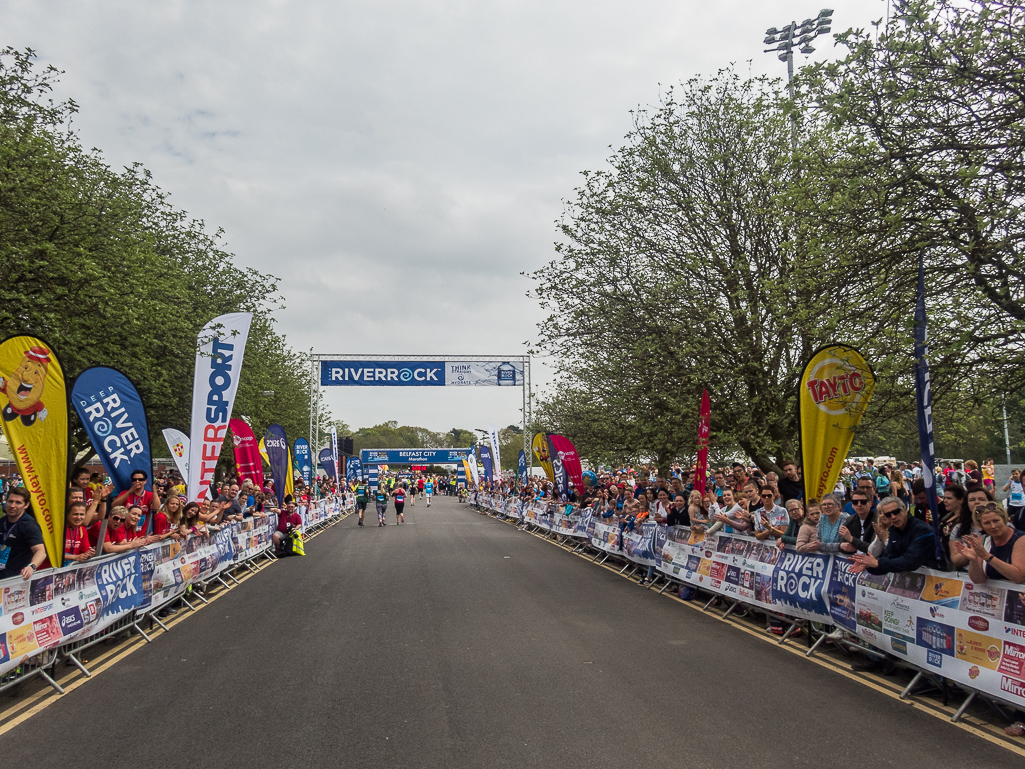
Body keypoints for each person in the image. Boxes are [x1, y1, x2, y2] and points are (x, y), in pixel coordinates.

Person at [850, 497, 940, 575]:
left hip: (937, 579)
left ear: (904, 510)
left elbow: (910, 561)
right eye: (888, 514)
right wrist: (869, 565)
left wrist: (878, 563)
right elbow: (890, 557)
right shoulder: (894, 530)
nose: (893, 517)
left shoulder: (922, 529)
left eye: (896, 512)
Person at [954, 502, 1025, 584]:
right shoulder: (983, 540)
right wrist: (973, 561)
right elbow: (978, 580)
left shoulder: (1020, 539)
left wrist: (987, 557)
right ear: (981, 525)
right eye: (987, 523)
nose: (993, 526)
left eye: (996, 521)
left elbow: (1019, 577)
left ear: (1004, 519)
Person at [1, 487, 46, 579]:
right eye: (10, 501)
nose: (12, 505)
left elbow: (41, 552)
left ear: (26, 505)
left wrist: (32, 566)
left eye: (18, 503)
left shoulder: (29, 525)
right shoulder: (3, 521)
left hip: (16, 578)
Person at [839, 489, 876, 554]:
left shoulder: (877, 520)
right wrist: (842, 546)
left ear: (870, 503)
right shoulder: (849, 520)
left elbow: (874, 549)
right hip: (853, 558)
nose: (859, 504)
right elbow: (841, 544)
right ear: (852, 505)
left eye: (863, 502)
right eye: (855, 502)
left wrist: (852, 539)